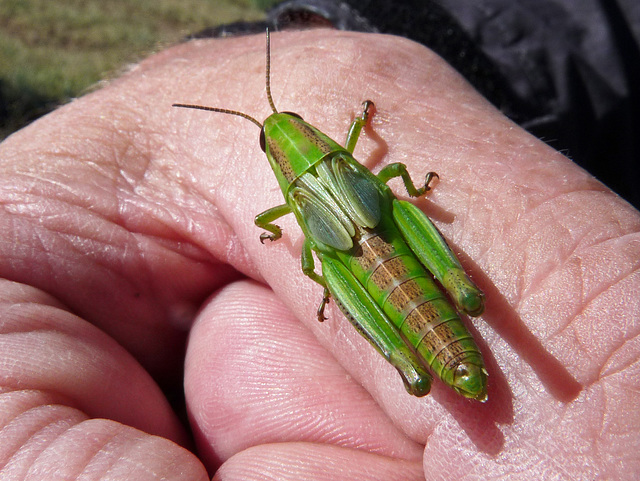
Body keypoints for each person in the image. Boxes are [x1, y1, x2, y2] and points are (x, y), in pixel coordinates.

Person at [0, 30, 638, 480]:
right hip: (386, 237)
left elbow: (293, 244)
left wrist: (314, 264)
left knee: (325, 263)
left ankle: (417, 354)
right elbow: (374, 158)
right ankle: (425, 351)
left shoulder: (287, 201)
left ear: (285, 154)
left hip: (361, 261)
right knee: (392, 197)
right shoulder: (342, 150)